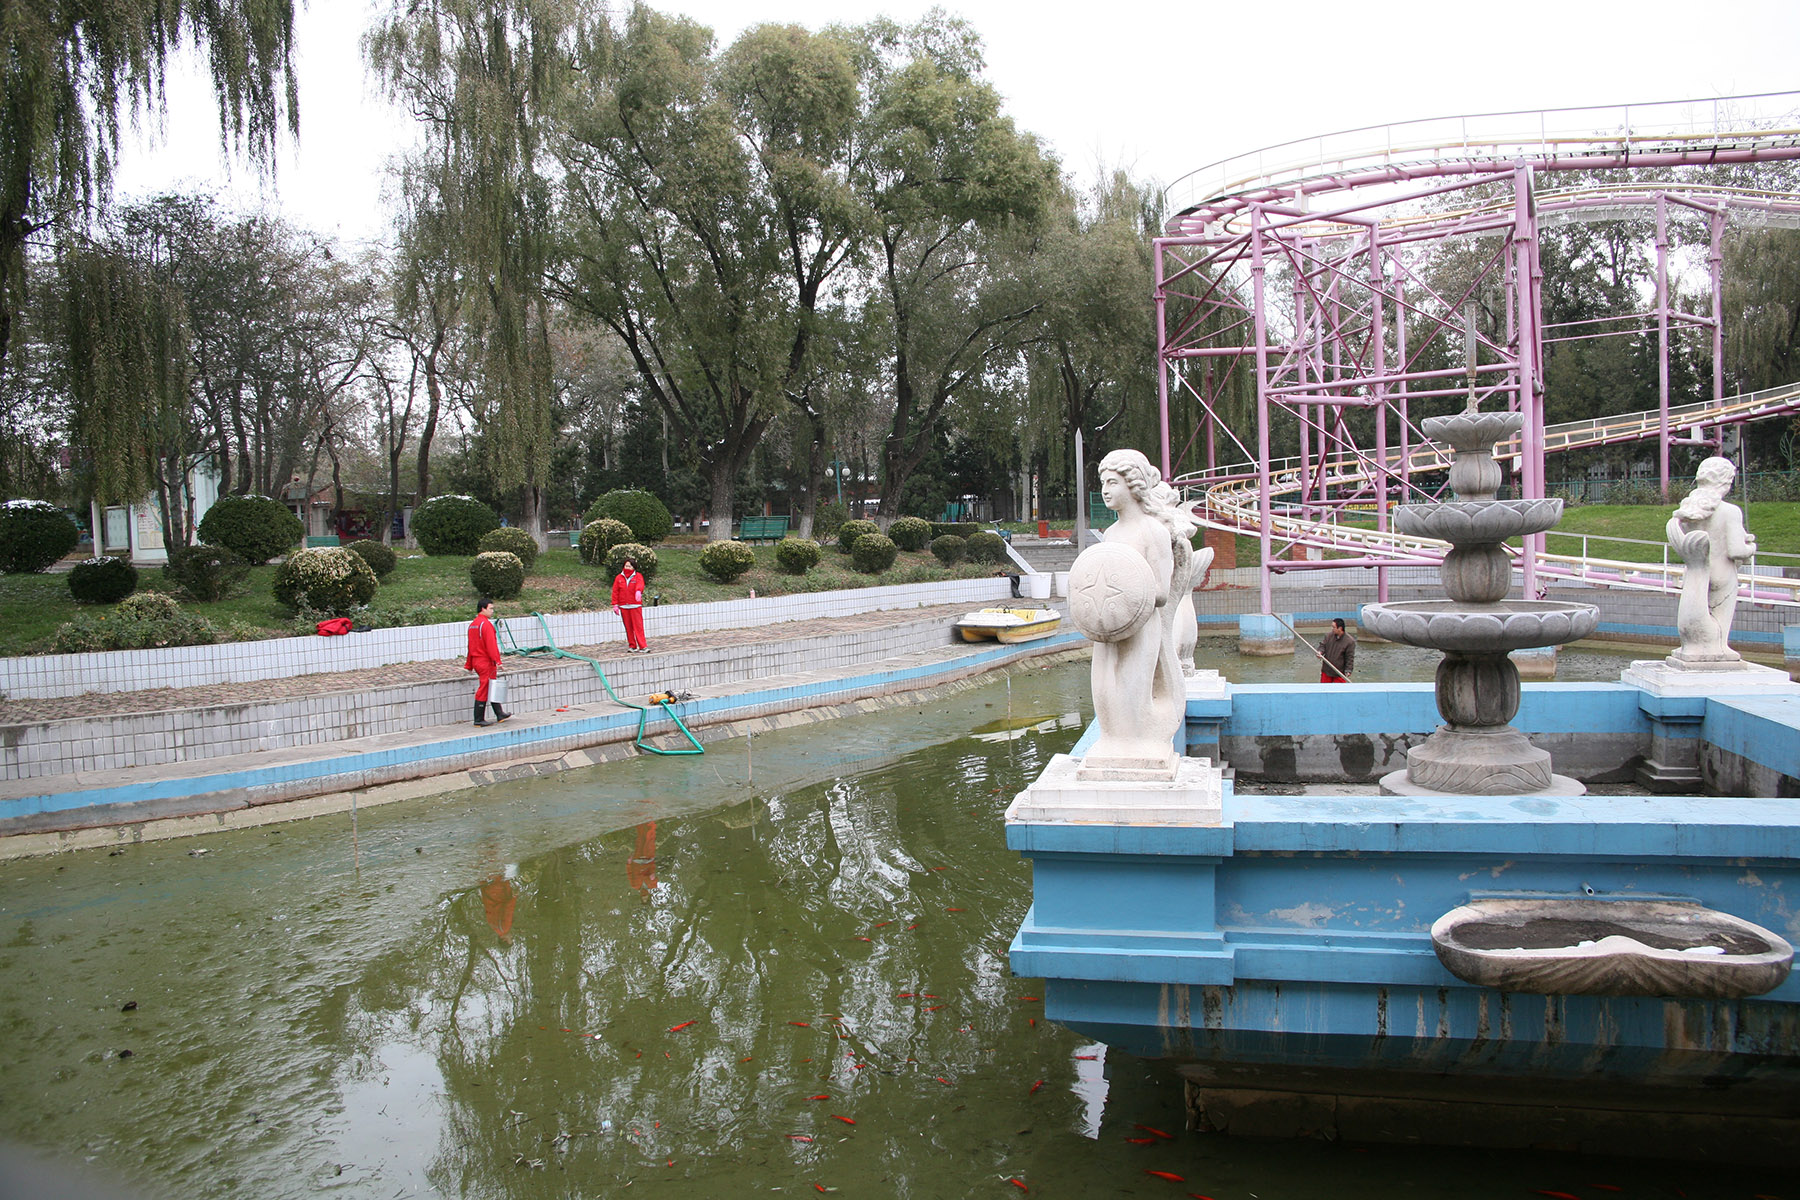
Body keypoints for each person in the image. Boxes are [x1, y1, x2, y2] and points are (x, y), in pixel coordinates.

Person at [1083, 448, 1196, 768]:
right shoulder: (1110, 533)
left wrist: (1127, 594)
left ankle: (1137, 744)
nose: (1105, 490)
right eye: (1103, 483)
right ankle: (1112, 741)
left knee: (1131, 689)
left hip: (1141, 624)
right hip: (1108, 625)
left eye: (1113, 483)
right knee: (1104, 689)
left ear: (1133, 486)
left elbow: (1161, 591)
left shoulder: (1153, 531)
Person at [1668, 456, 1756, 664]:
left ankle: (1693, 646)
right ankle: (1719, 648)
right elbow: (1736, 550)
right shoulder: (1730, 511)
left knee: (1695, 610)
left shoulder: (1688, 511)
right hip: (1722, 573)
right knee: (1720, 625)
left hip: (1696, 571)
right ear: (1725, 482)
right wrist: (1751, 547)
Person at [463, 598, 510, 725]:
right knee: (485, 687)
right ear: (483, 609)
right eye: (491, 608)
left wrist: (469, 664)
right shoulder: (486, 625)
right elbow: (491, 645)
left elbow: (471, 646)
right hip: (485, 662)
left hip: (477, 661)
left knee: (490, 685)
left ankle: (499, 714)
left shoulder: (473, 625)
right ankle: (478, 719)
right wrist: (498, 661)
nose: (492, 611)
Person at [612, 556, 648, 653]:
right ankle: (632, 645)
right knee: (628, 627)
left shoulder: (638, 576)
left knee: (638, 627)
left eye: (629, 566)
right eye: (626, 566)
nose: (627, 568)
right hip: (624, 606)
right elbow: (615, 591)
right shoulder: (619, 578)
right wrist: (615, 604)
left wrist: (638, 591)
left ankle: (643, 646)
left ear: (634, 567)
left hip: (635, 605)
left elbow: (640, 584)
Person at [1319, 617, 1355, 682]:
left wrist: (1348, 670)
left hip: (1339, 672)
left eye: (1334, 627)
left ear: (1340, 628)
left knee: (1340, 688)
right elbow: (1323, 646)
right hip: (1327, 670)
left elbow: (1349, 657)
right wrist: (1320, 652)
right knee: (1324, 687)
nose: (1332, 629)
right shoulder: (1328, 636)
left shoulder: (1349, 641)